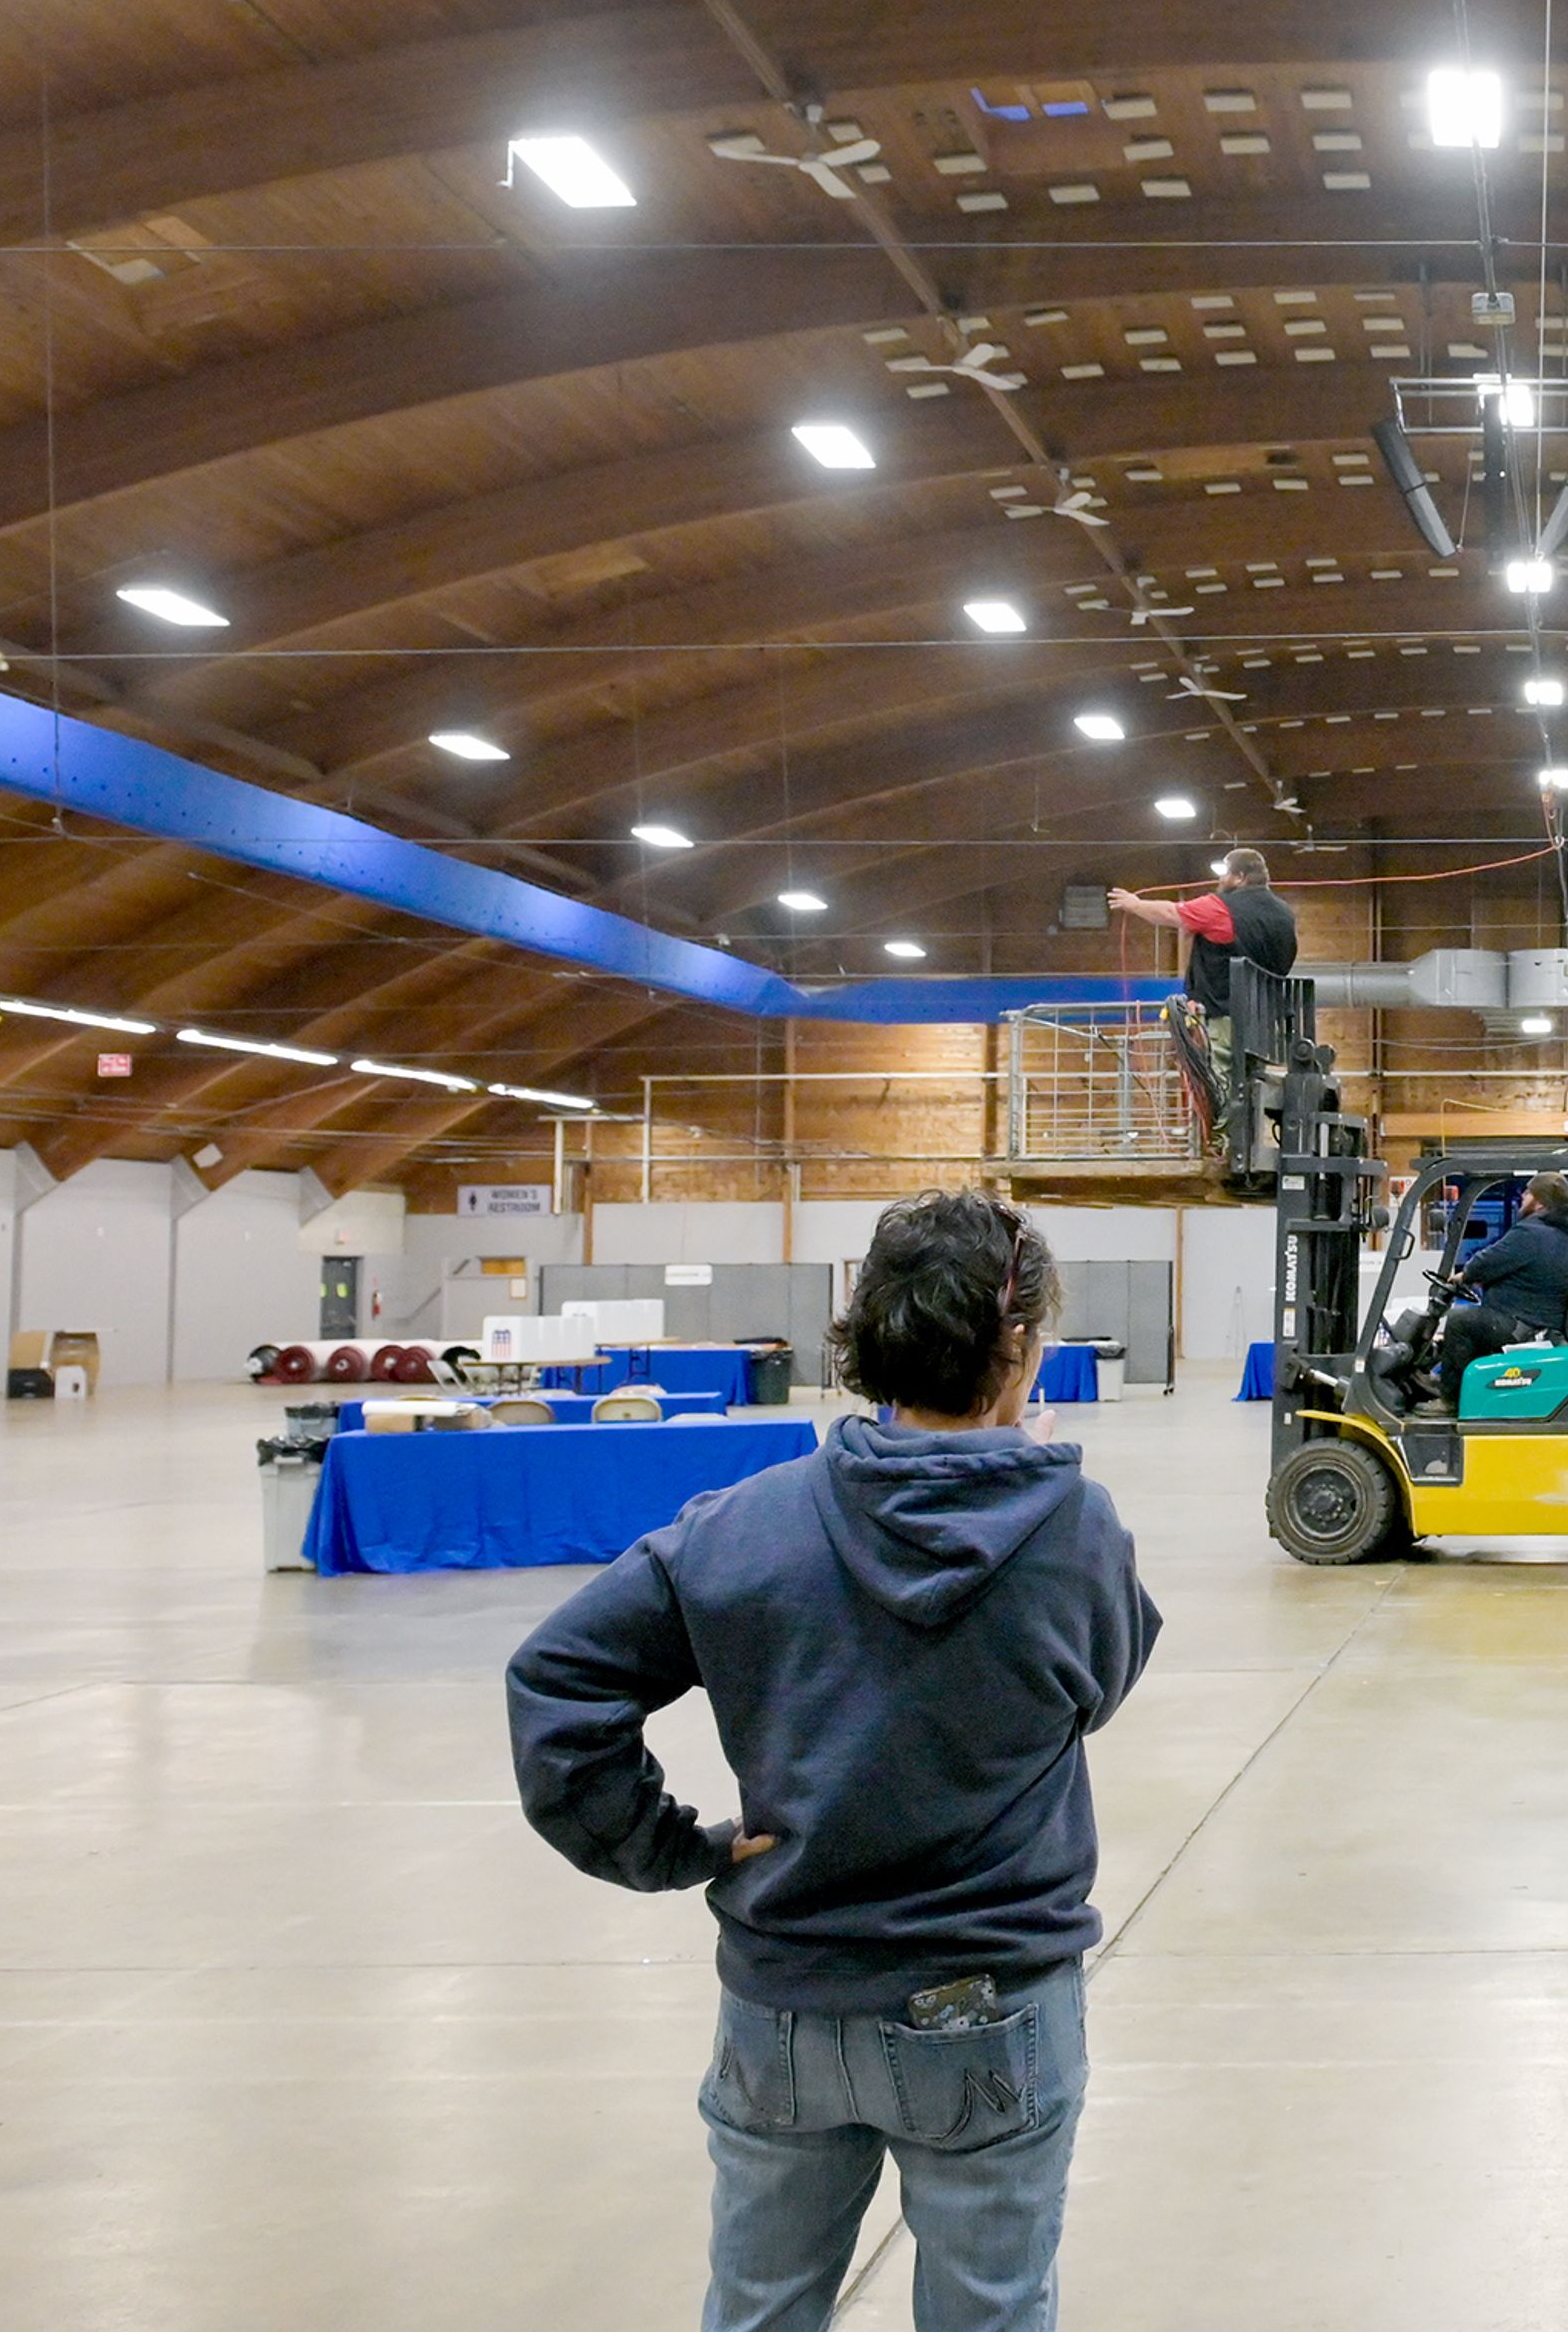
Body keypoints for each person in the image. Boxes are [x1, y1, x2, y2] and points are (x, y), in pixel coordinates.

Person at [506, 1190, 1159, 2332]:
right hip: (989, 2002)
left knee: (759, 2307)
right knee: (993, 2311)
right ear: (1022, 1356)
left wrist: (667, 1849)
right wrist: (1031, 1481)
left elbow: (560, 1679)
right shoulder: (1076, 1530)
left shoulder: (739, 1526)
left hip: (786, 2007)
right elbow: (1097, 1692)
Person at [1111, 851, 1301, 1152]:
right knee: (1252, 1079)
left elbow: (1173, 913)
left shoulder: (1222, 908)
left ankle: (1221, 1145)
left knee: (1219, 1076)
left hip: (1225, 1011)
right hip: (1266, 1016)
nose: (1220, 879)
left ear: (1240, 877)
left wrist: (1135, 905)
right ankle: (1247, 1144)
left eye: (1226, 873)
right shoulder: (1284, 914)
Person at [1412, 1171, 1568, 1410]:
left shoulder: (1531, 1232)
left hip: (1525, 1326)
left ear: (1539, 1202)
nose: (1522, 1198)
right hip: (1540, 1319)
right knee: (1474, 1323)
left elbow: (1482, 1264)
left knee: (1460, 1321)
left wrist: (1465, 1276)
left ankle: (1450, 1400)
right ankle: (1457, 1383)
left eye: (1527, 1193)